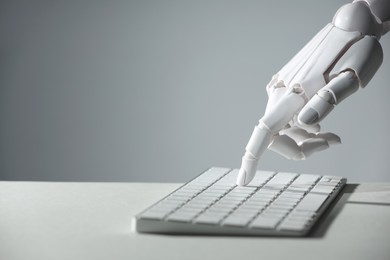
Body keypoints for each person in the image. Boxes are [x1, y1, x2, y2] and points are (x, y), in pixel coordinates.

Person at [237, 0, 390, 186]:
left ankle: (311, 143)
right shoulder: (361, 36)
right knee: (278, 131)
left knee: (276, 130)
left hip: (298, 87)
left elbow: (351, 75)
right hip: (290, 85)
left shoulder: (368, 40)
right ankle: (312, 143)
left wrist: (251, 156)